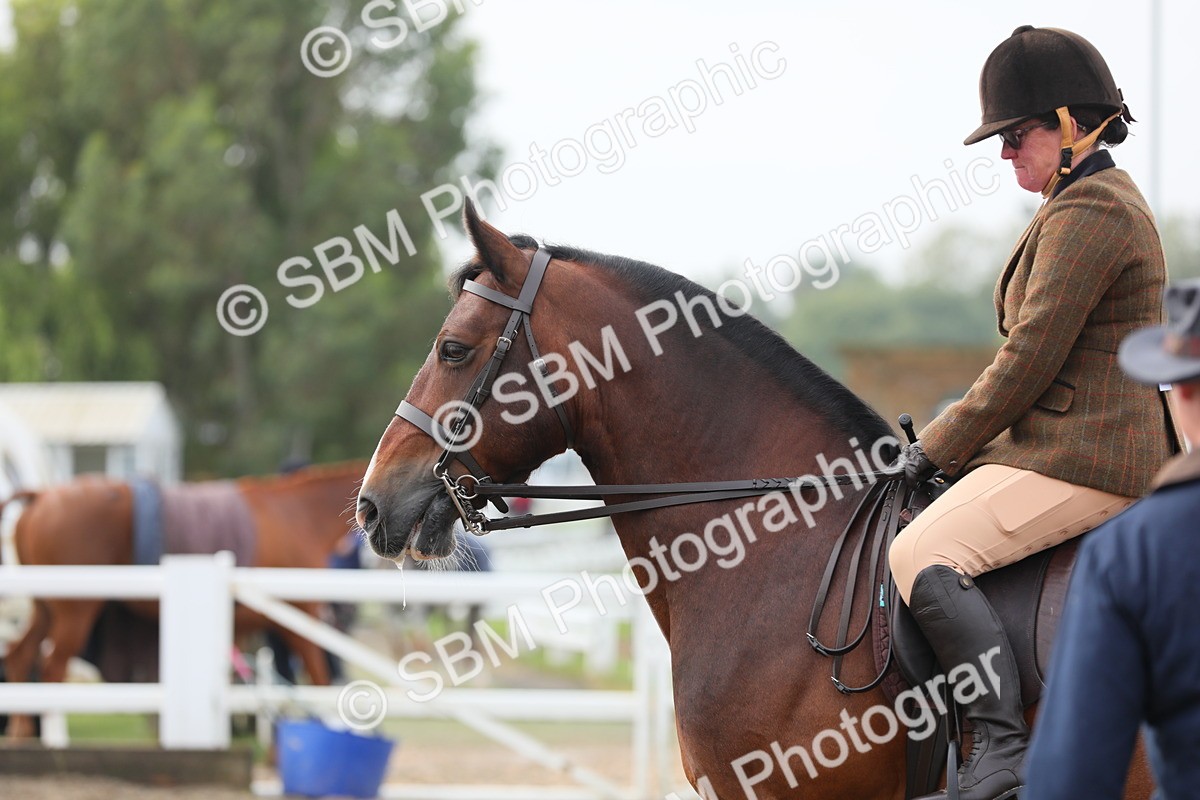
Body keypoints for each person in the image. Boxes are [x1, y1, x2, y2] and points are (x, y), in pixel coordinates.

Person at [887, 26, 1176, 800]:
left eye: (1017, 136)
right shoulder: (1072, 202)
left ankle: (999, 748)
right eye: (1002, 141)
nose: (1006, 153)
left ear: (1072, 123)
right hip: (1054, 442)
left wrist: (936, 446)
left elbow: (1028, 359)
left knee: (920, 554)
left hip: (1094, 454)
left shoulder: (1095, 213)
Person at [1025, 281, 1200, 799]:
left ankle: (994, 735)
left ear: (1185, 391)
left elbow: (1072, 782)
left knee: (919, 552)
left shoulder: (1134, 550)